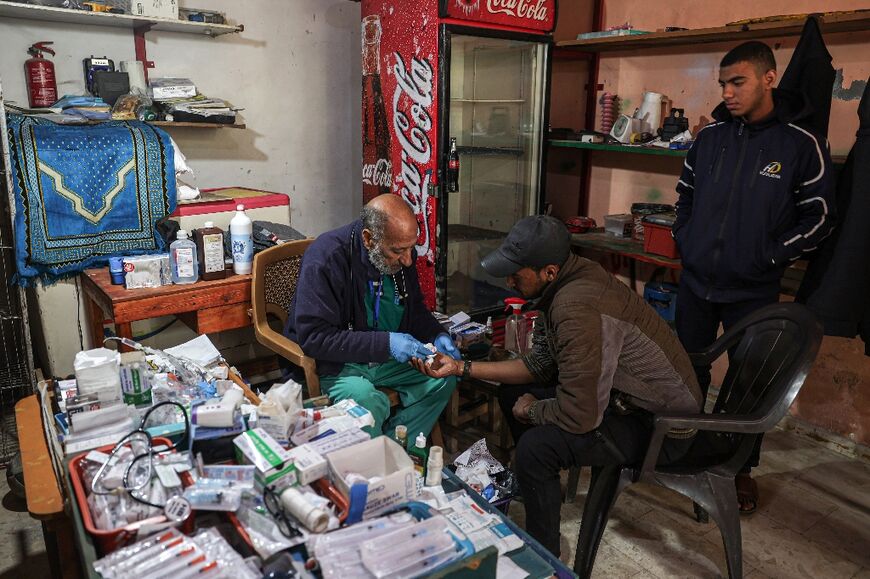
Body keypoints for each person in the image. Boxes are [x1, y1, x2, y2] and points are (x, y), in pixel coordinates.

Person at [413, 215, 702, 558]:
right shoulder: (572, 278)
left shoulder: (576, 306)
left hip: (663, 428)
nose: (509, 281)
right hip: (623, 399)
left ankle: (545, 555)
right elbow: (538, 365)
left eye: (517, 274)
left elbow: (581, 414)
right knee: (509, 393)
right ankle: (537, 485)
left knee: (536, 449)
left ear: (549, 271)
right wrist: (462, 368)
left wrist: (533, 409)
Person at [672, 41, 836, 514]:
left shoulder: (799, 144)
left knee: (749, 384)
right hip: (698, 283)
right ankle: (681, 450)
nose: (728, 92)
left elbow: (821, 217)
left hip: (755, 290)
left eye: (737, 81)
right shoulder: (709, 139)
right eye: (723, 84)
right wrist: (688, 239)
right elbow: (684, 197)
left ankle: (739, 468)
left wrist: (770, 257)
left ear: (769, 78)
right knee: (687, 371)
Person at [285, 194, 458, 438]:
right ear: (368, 239)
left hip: (386, 359)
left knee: (444, 377)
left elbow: (415, 309)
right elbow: (315, 337)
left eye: (411, 248)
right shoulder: (326, 257)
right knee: (365, 401)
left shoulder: (399, 256)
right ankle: (375, 467)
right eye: (398, 251)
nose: (408, 260)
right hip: (339, 363)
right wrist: (387, 343)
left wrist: (437, 334)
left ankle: (397, 448)